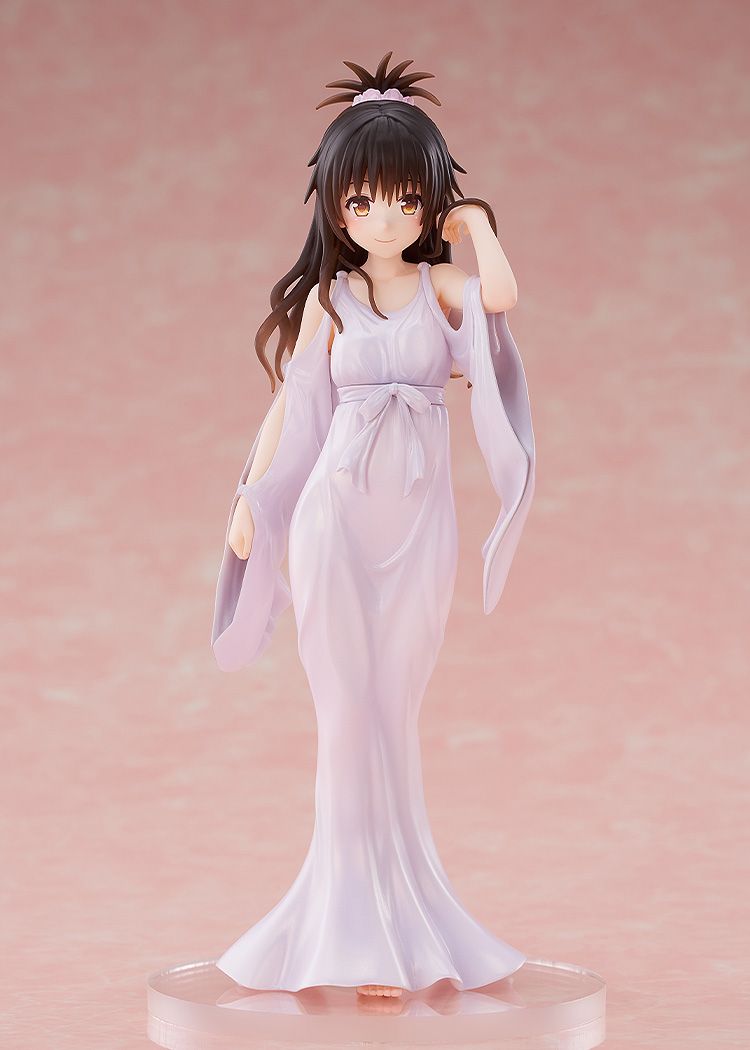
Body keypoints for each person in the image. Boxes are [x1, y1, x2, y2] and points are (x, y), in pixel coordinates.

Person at [211, 52, 536, 998]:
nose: (383, 219)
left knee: (394, 711)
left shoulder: (443, 289)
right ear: (336, 209)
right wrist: (252, 499)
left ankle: (401, 919)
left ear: (428, 203)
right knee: (343, 713)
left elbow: (502, 298)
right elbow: (294, 405)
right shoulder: (331, 302)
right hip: (333, 527)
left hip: (417, 531)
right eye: (362, 202)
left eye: (404, 199)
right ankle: (343, 932)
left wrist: (477, 225)